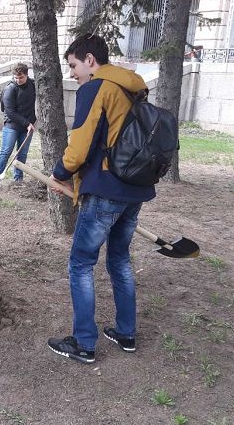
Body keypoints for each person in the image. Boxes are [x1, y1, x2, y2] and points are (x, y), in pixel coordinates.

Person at [46, 34, 155, 364]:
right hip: (133, 189)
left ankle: (84, 343)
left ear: (90, 60)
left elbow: (80, 147)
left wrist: (60, 173)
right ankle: (126, 332)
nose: (72, 73)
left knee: (81, 264)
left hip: (105, 190)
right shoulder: (132, 88)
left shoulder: (96, 89)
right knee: (119, 260)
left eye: (73, 65)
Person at [0, 62, 36, 185]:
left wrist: (31, 122)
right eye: (16, 77)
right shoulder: (10, 89)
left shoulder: (33, 85)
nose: (18, 80)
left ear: (26, 75)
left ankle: (18, 180)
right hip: (12, 126)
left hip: (27, 127)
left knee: (22, 154)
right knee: (6, 151)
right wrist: (27, 123)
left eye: (21, 77)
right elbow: (9, 112)